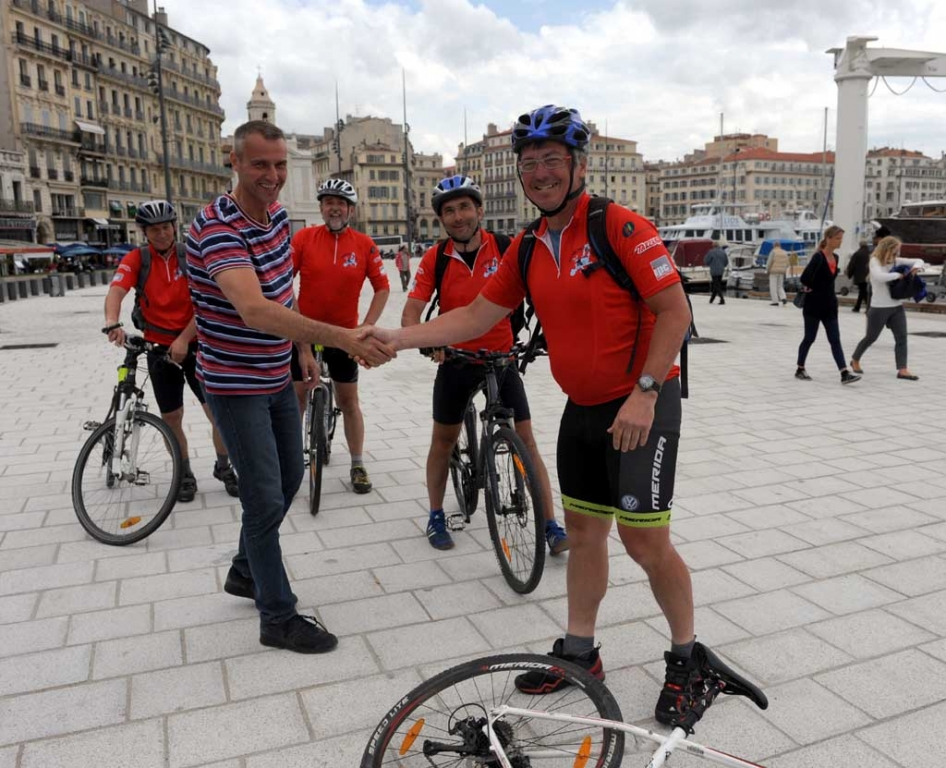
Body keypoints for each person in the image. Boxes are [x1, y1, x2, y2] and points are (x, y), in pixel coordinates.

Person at [364, 105, 706, 724]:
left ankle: (688, 660)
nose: (541, 173)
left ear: (579, 164)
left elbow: (675, 311)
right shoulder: (526, 245)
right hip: (583, 406)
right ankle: (581, 652)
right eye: (530, 163)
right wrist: (398, 336)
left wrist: (647, 390)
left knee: (645, 541)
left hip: (642, 406)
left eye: (553, 160)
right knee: (582, 535)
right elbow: (475, 317)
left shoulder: (621, 227)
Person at [186, 120, 394, 654]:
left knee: (292, 474)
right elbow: (255, 309)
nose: (273, 176)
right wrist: (342, 336)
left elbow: (282, 292)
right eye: (260, 164)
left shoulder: (277, 217)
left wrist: (303, 350)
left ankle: (243, 570)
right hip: (234, 384)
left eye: (279, 165)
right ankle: (276, 616)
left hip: (277, 372)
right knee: (262, 497)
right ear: (233, 161)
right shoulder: (216, 228)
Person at [402, 174, 568, 554]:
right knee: (443, 441)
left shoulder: (508, 248)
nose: (458, 216)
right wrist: (425, 341)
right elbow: (412, 309)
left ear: (479, 209)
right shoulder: (436, 259)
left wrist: (551, 334)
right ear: (441, 218)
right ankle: (435, 514)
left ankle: (550, 524)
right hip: (456, 359)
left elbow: (544, 292)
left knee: (526, 440)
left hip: (502, 359)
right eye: (449, 211)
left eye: (464, 207)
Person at [104, 199, 238, 503]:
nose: (162, 234)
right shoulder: (138, 259)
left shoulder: (192, 255)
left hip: (198, 344)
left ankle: (224, 466)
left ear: (174, 227)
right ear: (145, 232)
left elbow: (208, 302)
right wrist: (112, 321)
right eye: (154, 229)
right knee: (172, 417)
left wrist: (183, 339)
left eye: (166, 227)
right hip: (158, 348)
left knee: (217, 413)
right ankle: (185, 472)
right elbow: (116, 290)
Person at [290, 178, 390, 495]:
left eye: (341, 203)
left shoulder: (364, 244)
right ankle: (292, 459)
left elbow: (383, 288)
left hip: (346, 336)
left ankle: (358, 463)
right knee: (298, 397)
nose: (334, 208)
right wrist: (294, 323)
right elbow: (281, 283)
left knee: (349, 402)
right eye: (329, 202)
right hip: (304, 331)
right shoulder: (304, 238)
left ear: (350, 209)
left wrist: (367, 327)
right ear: (321, 207)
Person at [850, 236, 925, 380]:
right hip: (879, 308)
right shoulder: (875, 261)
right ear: (887, 250)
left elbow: (919, 260)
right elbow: (879, 277)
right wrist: (898, 274)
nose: (897, 255)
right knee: (871, 337)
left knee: (902, 337)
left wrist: (915, 268)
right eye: (895, 252)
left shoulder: (896, 261)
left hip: (896, 306)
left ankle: (902, 369)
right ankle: (855, 360)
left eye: (898, 252)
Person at [794, 225, 861, 384]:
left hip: (830, 306)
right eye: (837, 239)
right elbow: (804, 278)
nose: (840, 242)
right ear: (828, 239)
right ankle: (800, 368)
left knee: (835, 339)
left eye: (841, 239)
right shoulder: (818, 257)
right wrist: (818, 288)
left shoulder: (836, 258)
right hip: (814, 305)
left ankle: (844, 373)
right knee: (809, 338)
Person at [845, 237, 871, 312]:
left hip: (860, 276)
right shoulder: (870, 252)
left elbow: (852, 265)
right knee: (863, 291)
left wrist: (849, 274)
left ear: (860, 245)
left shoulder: (857, 253)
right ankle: (858, 307)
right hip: (869, 275)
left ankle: (867, 308)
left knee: (863, 291)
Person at [766, 241, 789, 305]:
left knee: (773, 286)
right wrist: (784, 269)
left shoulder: (773, 252)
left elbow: (769, 262)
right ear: (779, 245)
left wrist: (767, 270)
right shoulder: (785, 252)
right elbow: (787, 263)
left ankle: (775, 301)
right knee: (780, 286)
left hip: (773, 271)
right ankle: (783, 298)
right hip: (781, 272)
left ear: (774, 245)